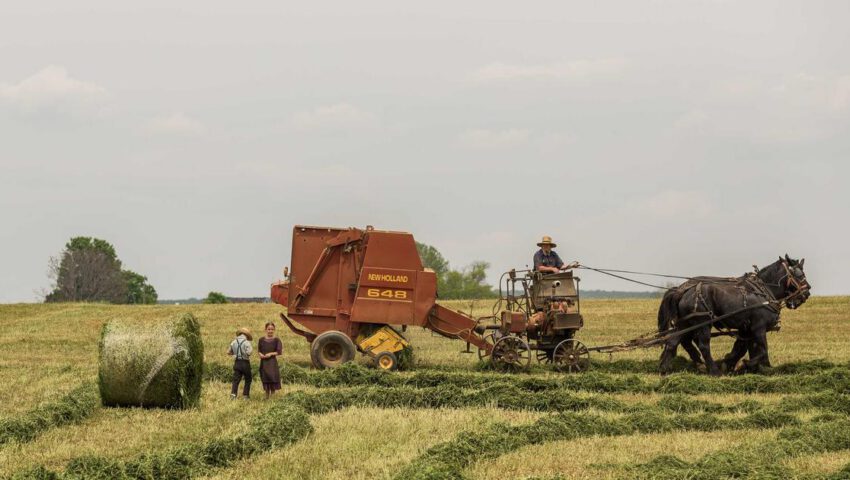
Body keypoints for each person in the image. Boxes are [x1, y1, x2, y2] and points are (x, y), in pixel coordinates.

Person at [257, 322, 283, 399]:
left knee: (272, 377)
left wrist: (271, 354)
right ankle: (267, 395)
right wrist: (260, 354)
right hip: (264, 362)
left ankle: (273, 395)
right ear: (265, 330)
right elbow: (259, 350)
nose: (270, 331)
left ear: (274, 330)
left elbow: (279, 352)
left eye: (272, 329)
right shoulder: (261, 340)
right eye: (269, 329)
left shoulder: (277, 340)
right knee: (265, 377)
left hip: (272, 362)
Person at [228, 327, 253, 400]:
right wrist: (244, 353)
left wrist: (235, 354)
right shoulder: (247, 342)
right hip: (245, 362)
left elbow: (228, 352)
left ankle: (233, 395)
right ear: (246, 335)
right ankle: (245, 395)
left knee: (236, 379)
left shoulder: (233, 342)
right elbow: (249, 353)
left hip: (237, 362)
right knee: (248, 379)